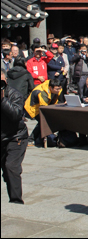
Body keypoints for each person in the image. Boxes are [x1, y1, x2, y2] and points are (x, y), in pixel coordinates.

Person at [1, 69, 29, 204]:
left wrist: (2, 100)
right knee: (7, 173)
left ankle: (16, 201)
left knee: (11, 166)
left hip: (16, 136)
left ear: (5, 81)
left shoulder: (14, 95)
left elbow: (16, 115)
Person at [24, 79, 63, 146]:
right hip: (33, 108)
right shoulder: (42, 93)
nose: (59, 90)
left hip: (45, 105)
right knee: (43, 122)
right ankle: (31, 139)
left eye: (59, 88)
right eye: (57, 89)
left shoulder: (56, 88)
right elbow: (44, 109)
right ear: (51, 88)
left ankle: (36, 139)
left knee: (43, 123)